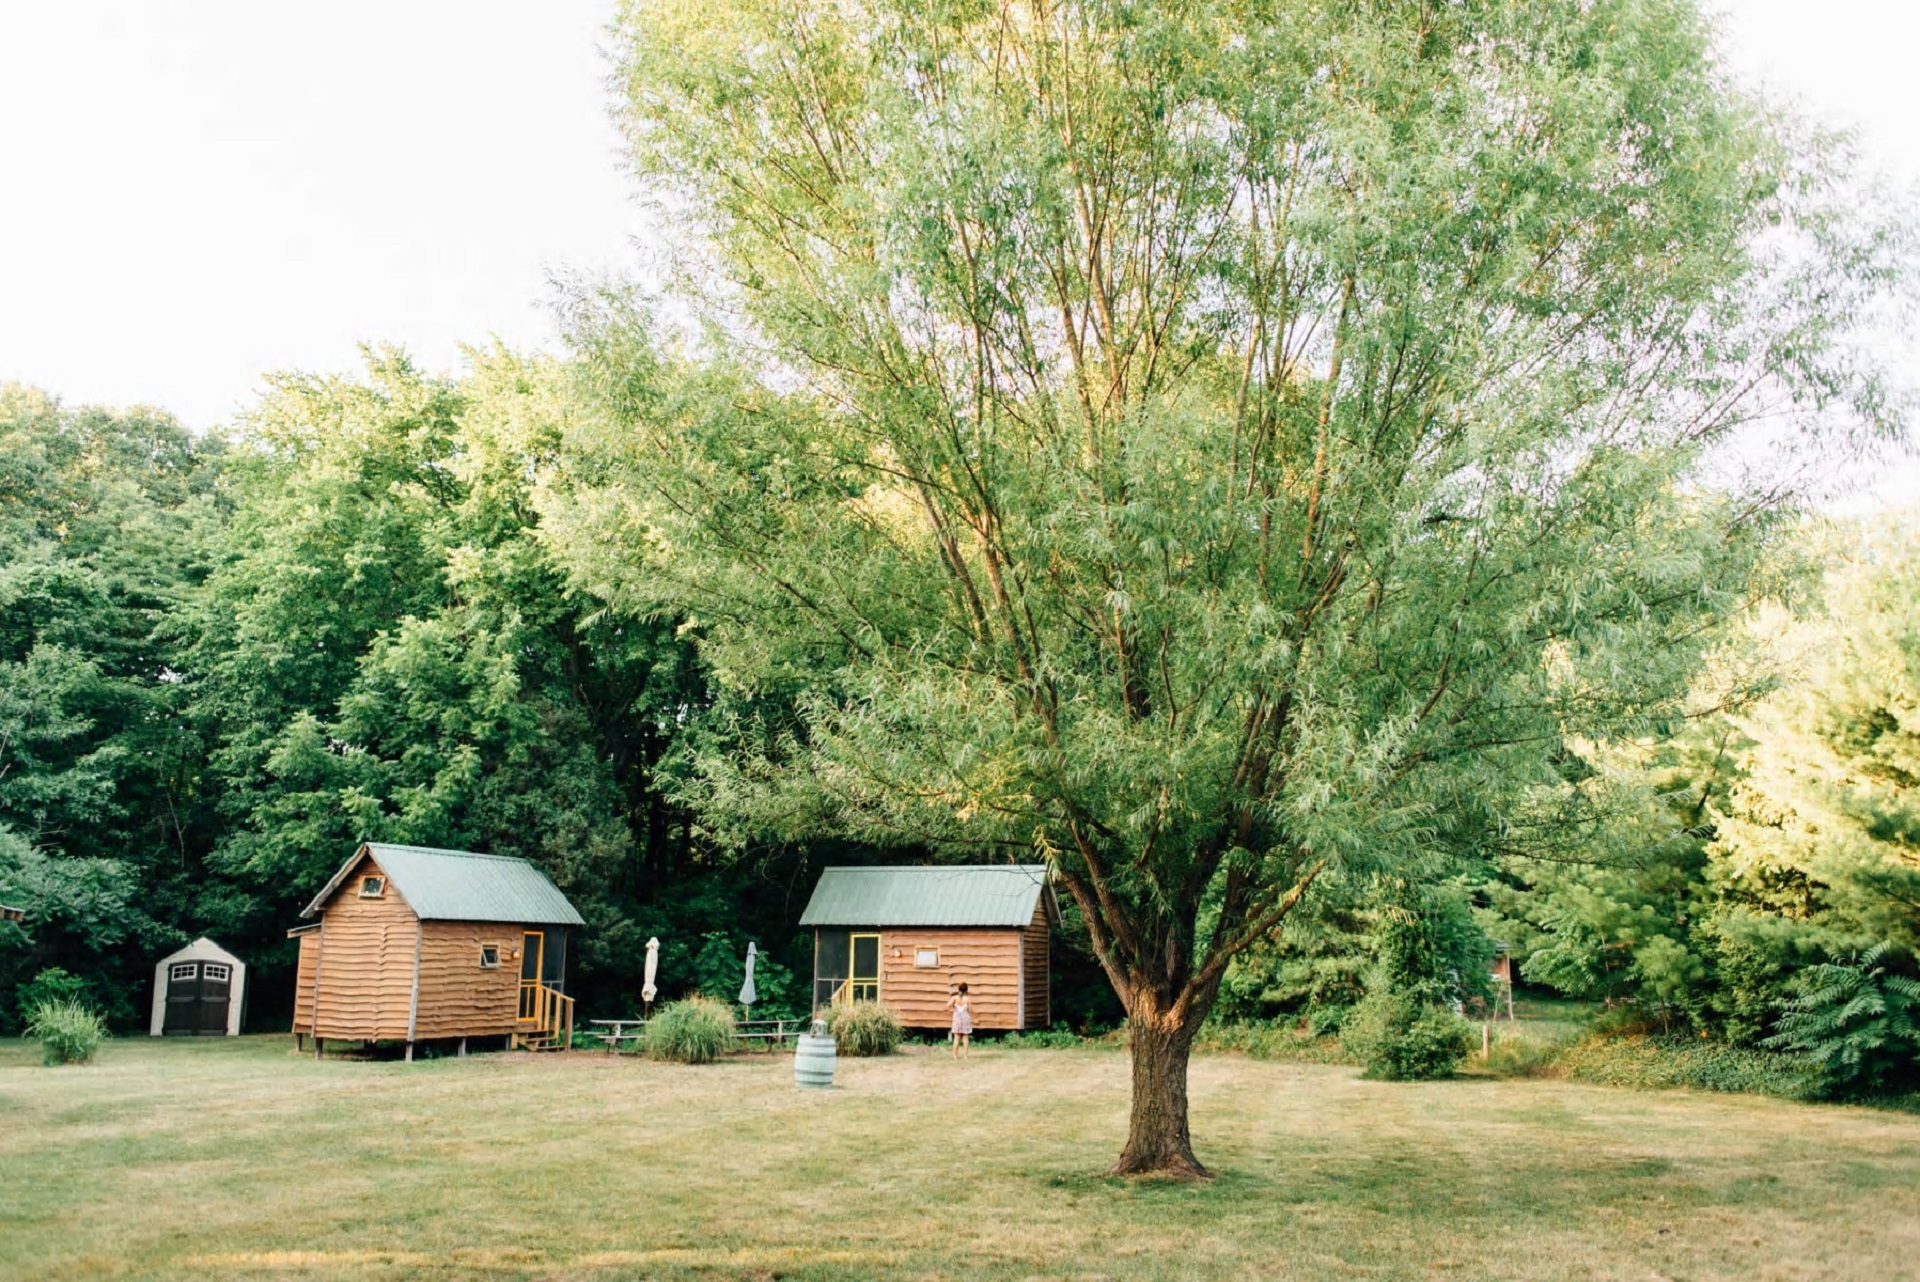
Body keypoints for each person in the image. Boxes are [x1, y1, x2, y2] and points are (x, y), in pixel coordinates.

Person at [946, 981, 972, 1059]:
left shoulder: (954, 998)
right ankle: (965, 1056)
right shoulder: (968, 999)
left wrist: (953, 1011)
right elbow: (970, 1010)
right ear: (966, 990)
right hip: (965, 1019)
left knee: (956, 1038)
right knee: (965, 1038)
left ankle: (955, 1056)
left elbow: (948, 1006)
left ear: (959, 989)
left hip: (957, 1018)